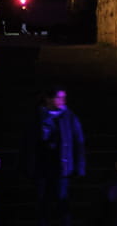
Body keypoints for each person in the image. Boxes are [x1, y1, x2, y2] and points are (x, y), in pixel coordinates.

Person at [30, 87, 85, 226]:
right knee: (43, 201)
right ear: (48, 99)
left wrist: (80, 165)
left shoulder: (69, 116)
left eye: (63, 97)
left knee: (62, 199)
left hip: (62, 166)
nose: (62, 100)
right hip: (43, 166)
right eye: (58, 97)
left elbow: (78, 142)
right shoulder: (37, 116)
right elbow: (28, 142)